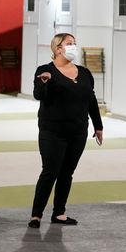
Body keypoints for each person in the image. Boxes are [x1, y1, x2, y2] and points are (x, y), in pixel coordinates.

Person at [28, 33, 103, 228]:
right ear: (58, 49)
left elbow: (91, 99)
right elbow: (38, 95)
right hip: (52, 131)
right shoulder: (45, 70)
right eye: (69, 44)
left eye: (75, 43)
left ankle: (59, 213)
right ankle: (36, 215)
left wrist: (98, 125)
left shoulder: (84, 73)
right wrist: (44, 82)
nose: (73, 47)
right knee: (50, 171)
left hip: (78, 131)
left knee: (67, 172)